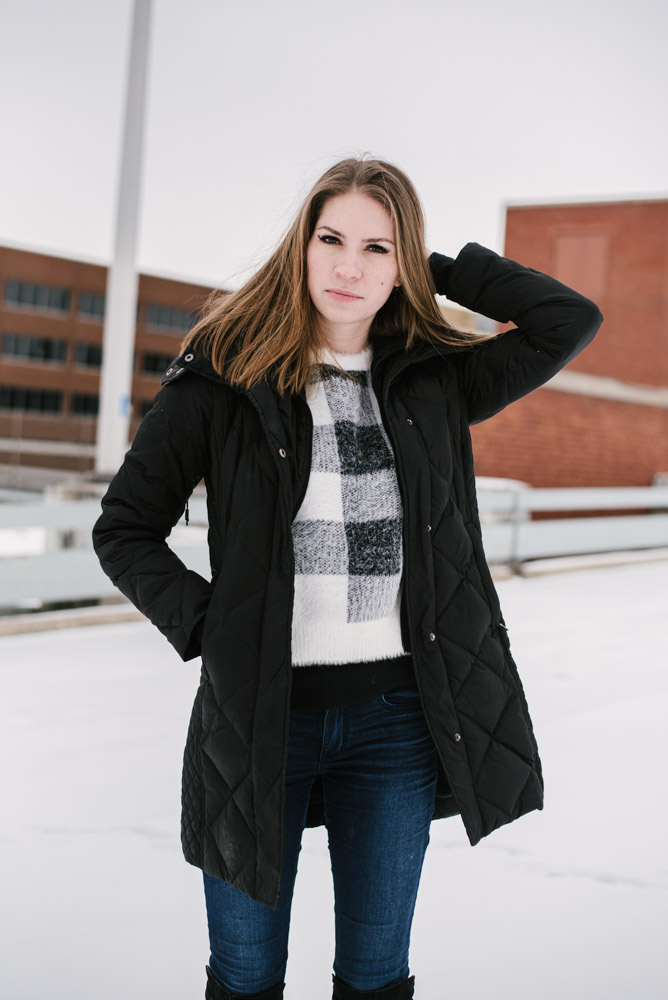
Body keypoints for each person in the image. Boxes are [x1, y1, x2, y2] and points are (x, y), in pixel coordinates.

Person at [92, 157, 603, 1000]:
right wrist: (209, 624)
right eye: (331, 240)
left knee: (375, 975)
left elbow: (567, 320)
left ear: (402, 264)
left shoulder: (434, 378)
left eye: (377, 248)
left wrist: (434, 266)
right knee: (246, 974)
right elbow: (124, 529)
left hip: (395, 721)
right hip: (259, 716)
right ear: (302, 245)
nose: (349, 267)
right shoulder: (225, 376)